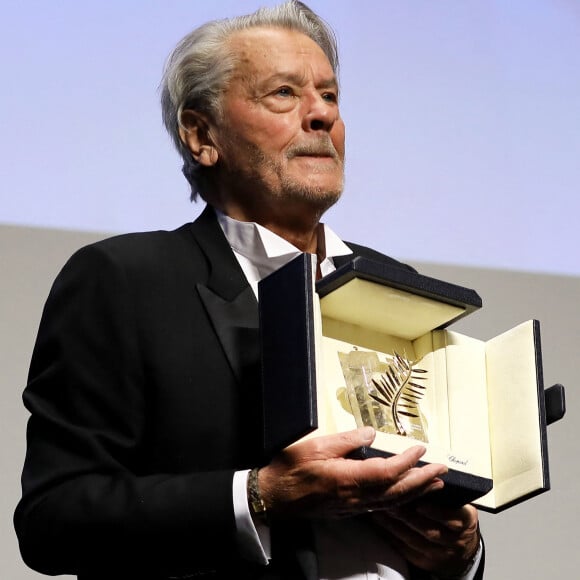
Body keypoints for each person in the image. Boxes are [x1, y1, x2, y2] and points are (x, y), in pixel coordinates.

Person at [15, 2, 483, 579]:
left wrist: (460, 555)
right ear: (202, 134)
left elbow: (441, 513)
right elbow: (53, 520)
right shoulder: (124, 278)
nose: (321, 117)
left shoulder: (397, 292)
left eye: (330, 96)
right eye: (284, 93)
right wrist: (260, 497)